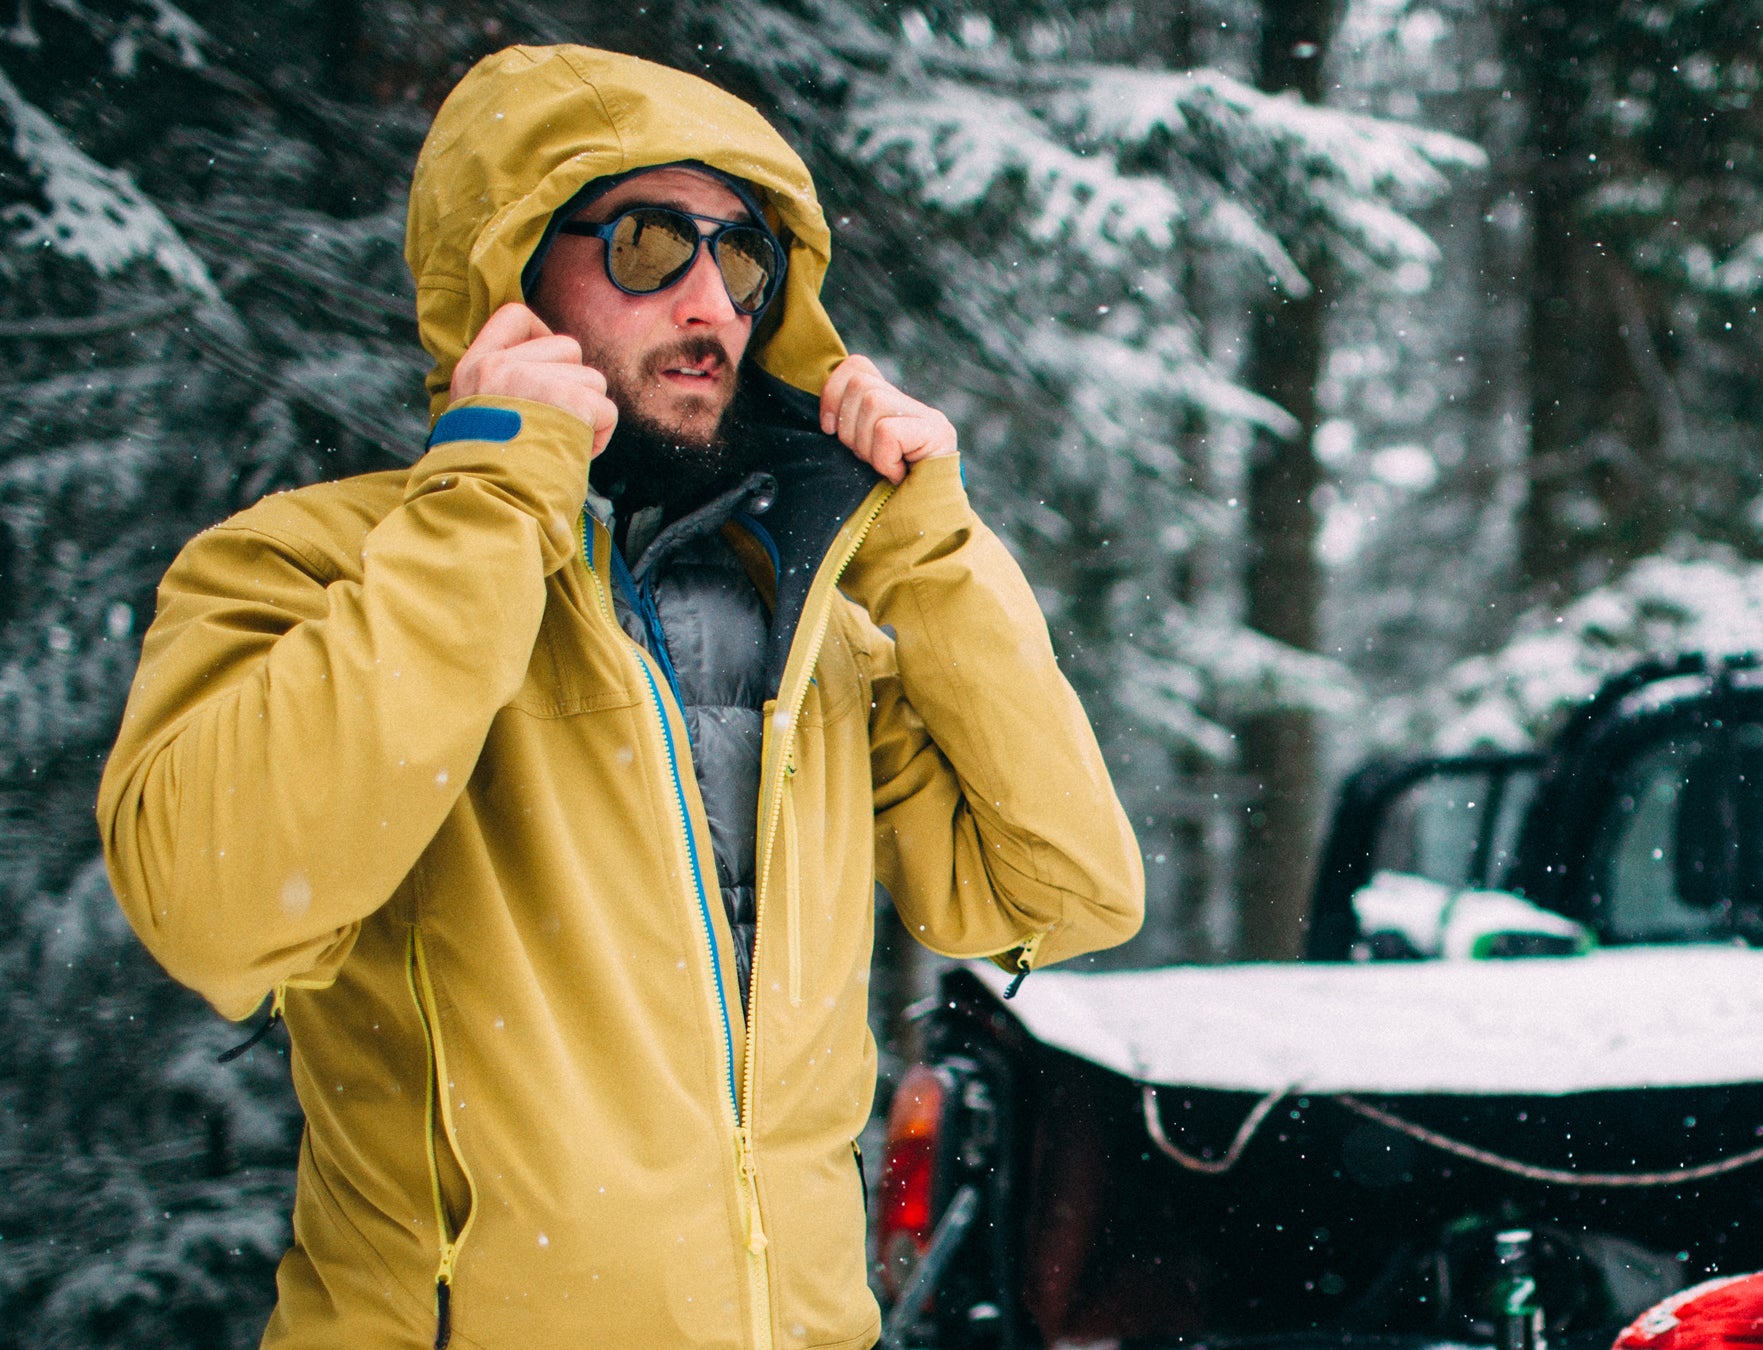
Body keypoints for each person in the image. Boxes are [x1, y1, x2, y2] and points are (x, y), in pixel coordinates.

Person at [94, 43, 1144, 1350]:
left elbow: (1062, 896)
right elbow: (217, 903)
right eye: (650, 243)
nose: (711, 299)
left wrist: (934, 548)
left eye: (743, 257)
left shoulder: (812, 608)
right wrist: (487, 497)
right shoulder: (318, 566)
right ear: (514, 264)